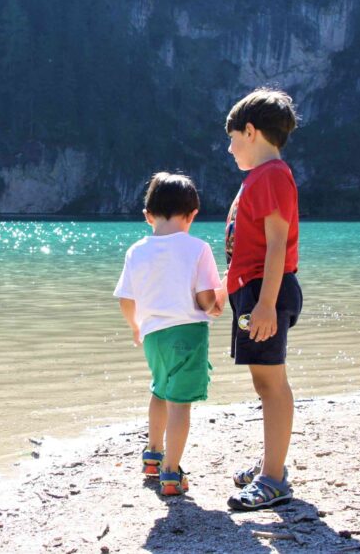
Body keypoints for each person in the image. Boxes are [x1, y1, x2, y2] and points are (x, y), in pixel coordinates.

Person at [114, 172, 225, 496]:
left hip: (151, 335)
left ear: (148, 215)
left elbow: (125, 298)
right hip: (187, 334)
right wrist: (225, 291)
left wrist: (136, 327)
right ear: (192, 215)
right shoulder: (198, 248)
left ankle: (152, 454)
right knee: (180, 404)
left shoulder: (136, 250)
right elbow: (207, 302)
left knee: (160, 390)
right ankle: (171, 472)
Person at [222, 88, 303, 511]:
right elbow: (246, 248)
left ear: (251, 131)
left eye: (233, 137)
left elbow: (276, 246)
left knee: (271, 383)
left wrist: (266, 304)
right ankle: (273, 462)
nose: (230, 147)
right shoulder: (258, 177)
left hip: (264, 291)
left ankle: (274, 478)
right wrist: (225, 290)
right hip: (252, 290)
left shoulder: (271, 175)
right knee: (264, 381)